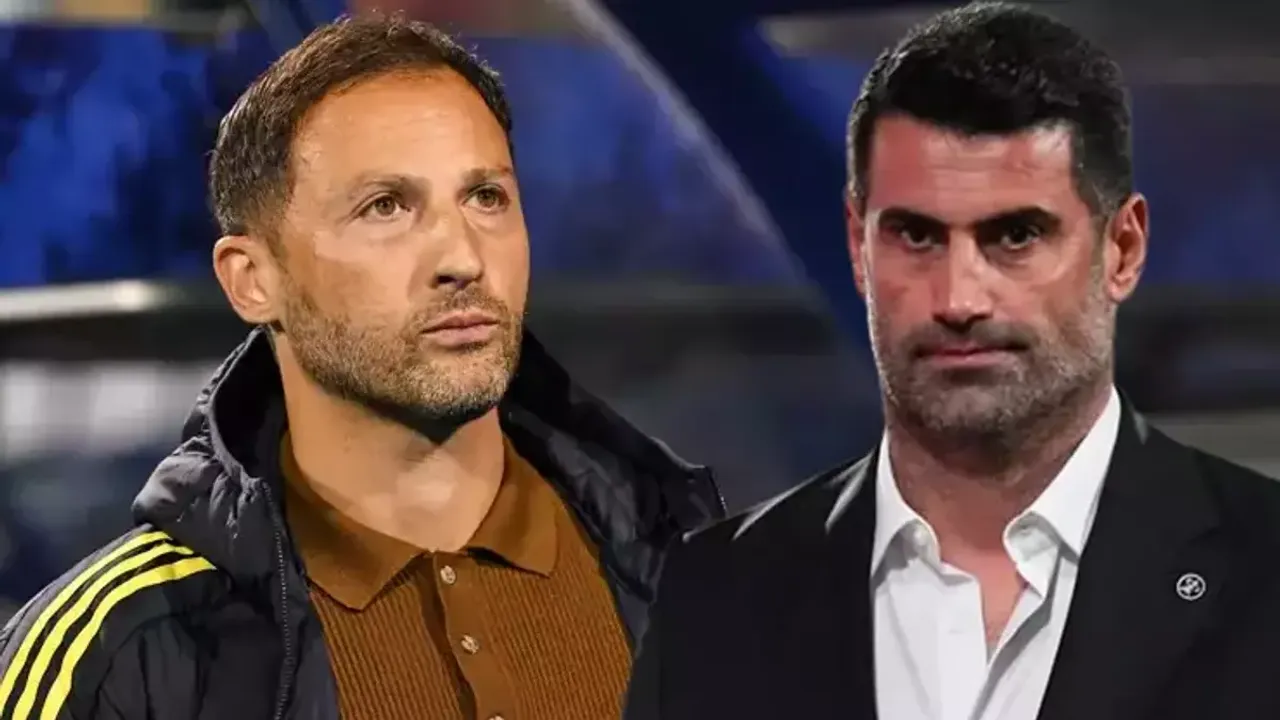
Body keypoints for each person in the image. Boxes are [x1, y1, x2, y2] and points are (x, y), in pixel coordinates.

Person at [0, 15, 724, 720]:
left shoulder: (694, 571)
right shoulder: (115, 656)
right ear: (252, 280)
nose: (463, 258)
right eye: (386, 207)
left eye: (486, 197)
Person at [623, 3, 1280, 720]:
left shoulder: (1264, 577)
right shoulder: (714, 596)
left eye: (1016, 236)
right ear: (858, 247)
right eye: (916, 236)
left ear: (1121, 249)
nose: (960, 299)